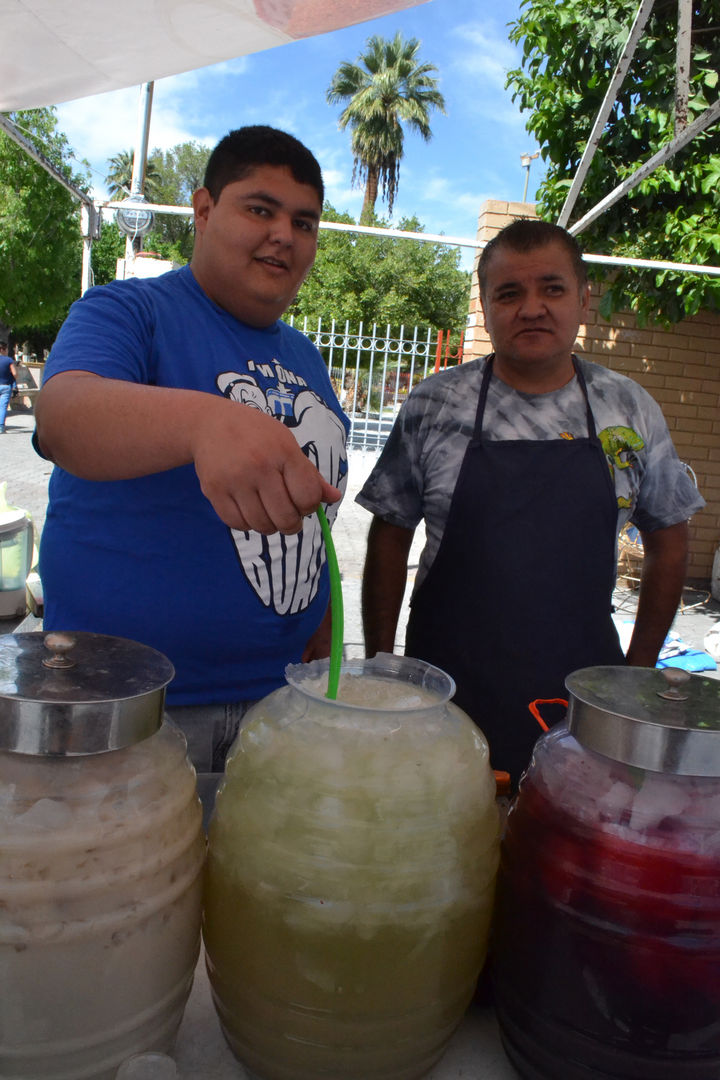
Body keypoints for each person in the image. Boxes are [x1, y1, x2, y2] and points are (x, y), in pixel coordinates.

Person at [35, 126, 349, 802]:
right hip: (128, 712)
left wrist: (321, 617)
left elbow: (312, 509)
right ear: (204, 211)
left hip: (280, 705)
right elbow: (62, 418)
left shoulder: (306, 357)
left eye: (304, 222)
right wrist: (207, 423)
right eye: (260, 209)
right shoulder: (130, 310)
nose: (284, 235)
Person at [357, 219, 704, 788]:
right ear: (487, 306)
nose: (532, 308)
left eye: (552, 289)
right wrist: (382, 666)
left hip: (579, 696)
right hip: (444, 689)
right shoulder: (435, 404)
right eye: (509, 293)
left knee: (559, 831)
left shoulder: (628, 408)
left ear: (583, 299)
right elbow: (390, 534)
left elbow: (669, 538)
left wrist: (635, 679)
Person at [0, 340, 17, 433]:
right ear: (3, 349)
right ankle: (1, 427)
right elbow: (15, 374)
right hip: (6, 386)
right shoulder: (9, 360)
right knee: (3, 407)